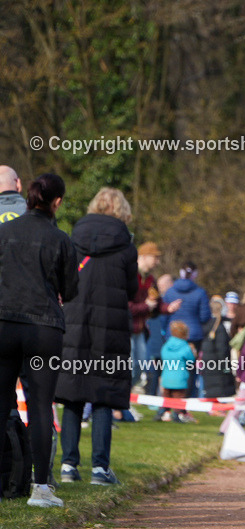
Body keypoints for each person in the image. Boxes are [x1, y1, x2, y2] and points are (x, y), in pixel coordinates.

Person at [0, 173, 78, 507]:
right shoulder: (60, 239)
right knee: (40, 406)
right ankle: (41, 488)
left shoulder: (3, 232)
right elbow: (70, 291)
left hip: (4, 324)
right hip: (44, 329)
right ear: (57, 201)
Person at [55, 187, 139, 486]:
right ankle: (100, 468)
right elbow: (132, 290)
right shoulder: (126, 247)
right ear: (122, 211)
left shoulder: (72, 239)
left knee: (72, 395)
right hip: (111, 327)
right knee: (104, 395)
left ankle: (68, 465)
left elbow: (63, 280)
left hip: (75, 324)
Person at [127, 242, 172, 391]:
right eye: (155, 258)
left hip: (139, 330)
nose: (157, 262)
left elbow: (157, 304)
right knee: (129, 368)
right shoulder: (130, 275)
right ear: (144, 257)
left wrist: (168, 308)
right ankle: (119, 408)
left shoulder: (151, 280)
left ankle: (122, 405)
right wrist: (145, 306)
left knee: (139, 368)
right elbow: (125, 305)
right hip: (126, 328)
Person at [165, 261, 211, 397]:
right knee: (190, 370)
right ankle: (186, 401)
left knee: (170, 368)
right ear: (195, 274)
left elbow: (164, 315)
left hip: (171, 335)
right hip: (193, 336)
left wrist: (165, 331)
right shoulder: (200, 292)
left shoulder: (170, 292)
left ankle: (168, 403)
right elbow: (204, 317)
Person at [145, 274, 175, 397]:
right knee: (153, 373)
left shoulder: (170, 303)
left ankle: (164, 402)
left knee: (167, 375)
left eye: (163, 285)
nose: (160, 288)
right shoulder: (156, 303)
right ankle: (151, 398)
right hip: (155, 344)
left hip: (167, 344)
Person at [160, 321, 196, 422]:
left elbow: (163, 356)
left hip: (166, 376)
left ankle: (165, 413)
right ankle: (178, 414)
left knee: (167, 396)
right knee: (178, 397)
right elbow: (190, 360)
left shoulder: (166, 345)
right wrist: (193, 352)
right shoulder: (185, 347)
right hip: (179, 378)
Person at [200, 296, 235, 399]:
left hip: (208, 363)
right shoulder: (220, 328)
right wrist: (226, 366)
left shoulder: (206, 326)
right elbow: (222, 350)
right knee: (218, 389)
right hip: (218, 365)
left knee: (211, 388)